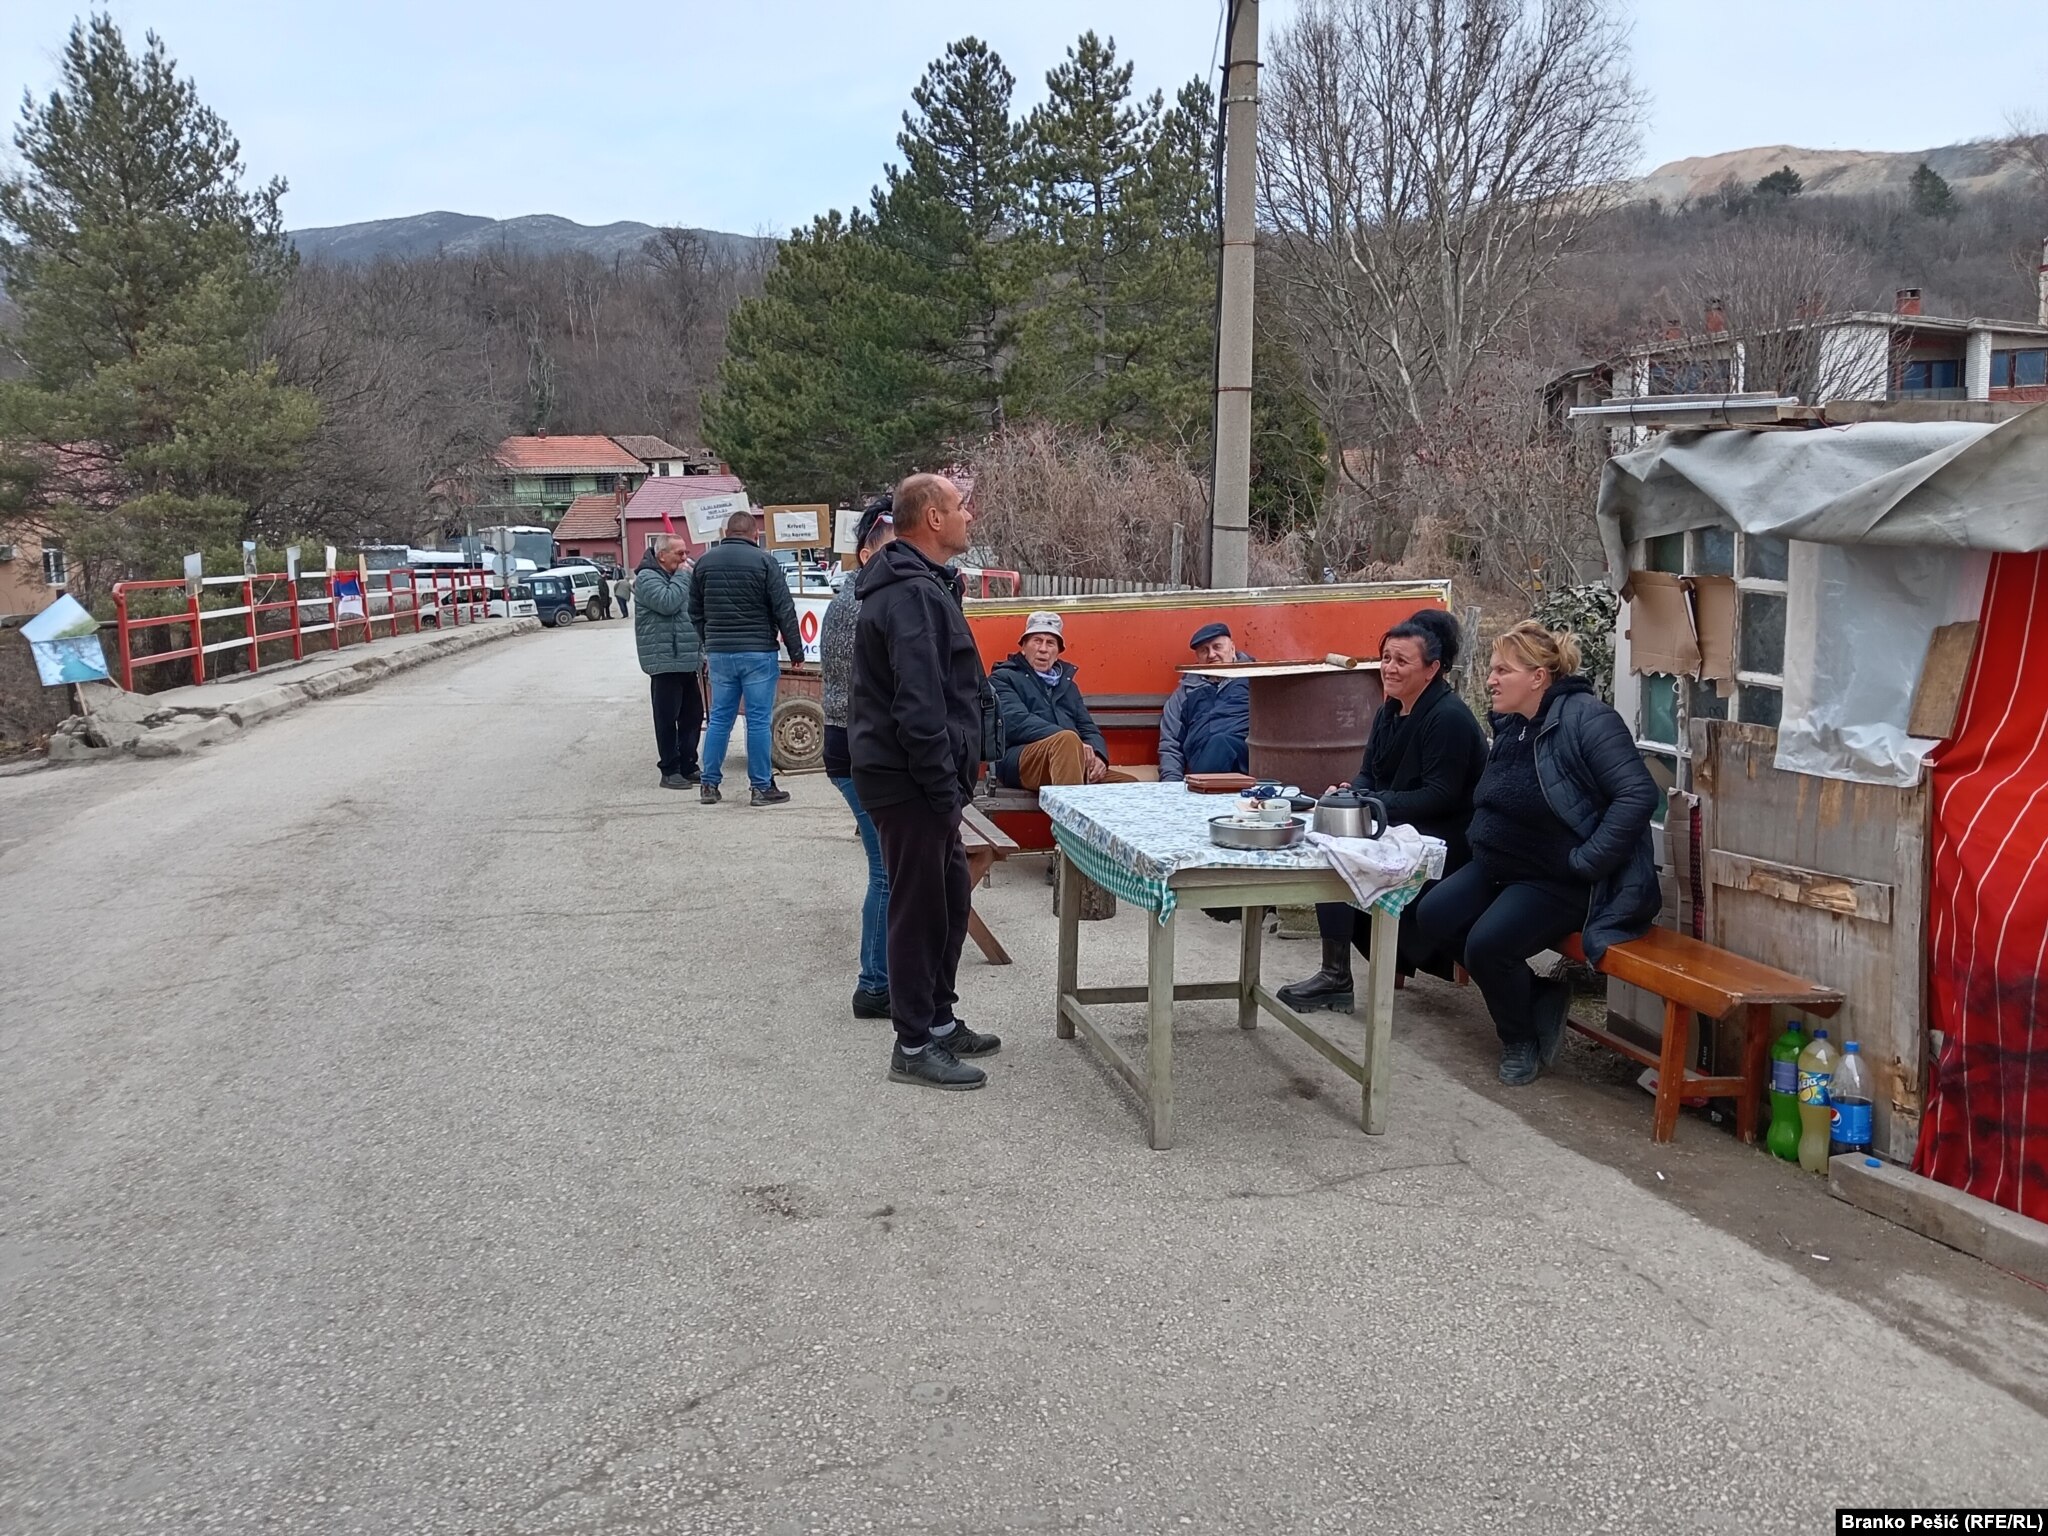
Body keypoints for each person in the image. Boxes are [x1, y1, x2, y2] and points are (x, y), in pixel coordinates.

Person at [1411, 619, 1660, 1086]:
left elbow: (1637, 796)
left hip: (1559, 877)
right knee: (1433, 916)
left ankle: (1520, 1039)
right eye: (1492, 670)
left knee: (1488, 946)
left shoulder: (1588, 718)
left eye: (1502, 670)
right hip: (1502, 865)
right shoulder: (1513, 725)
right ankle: (1536, 994)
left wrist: (1587, 862)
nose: (1490, 680)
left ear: (1538, 677)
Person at [850, 473, 1002, 1090]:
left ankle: (938, 1022)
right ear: (933, 519)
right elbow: (920, 706)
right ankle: (912, 1044)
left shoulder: (927, 585)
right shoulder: (910, 594)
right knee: (918, 911)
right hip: (910, 780)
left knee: (948, 901)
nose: (970, 515)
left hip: (927, 779)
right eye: (960, 506)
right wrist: (944, 785)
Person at [1277, 610, 1487, 1013]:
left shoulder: (1448, 718)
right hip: (1400, 828)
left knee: (1344, 854)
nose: (1389, 668)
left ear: (1432, 670)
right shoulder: (1389, 711)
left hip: (1447, 842)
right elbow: (1369, 774)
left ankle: (1339, 975)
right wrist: (1349, 793)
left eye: (1402, 661)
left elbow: (1441, 795)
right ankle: (1335, 974)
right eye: (1386, 658)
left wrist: (1371, 804)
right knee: (1332, 845)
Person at [821, 499, 896, 1021]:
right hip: (858, 753)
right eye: (894, 546)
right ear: (866, 550)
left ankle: (882, 978)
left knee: (887, 868)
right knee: (887, 871)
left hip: (862, 751)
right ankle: (873, 984)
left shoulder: (868, 595)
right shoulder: (861, 604)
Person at [688, 509, 804, 806]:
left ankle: (709, 785)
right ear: (755, 535)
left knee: (719, 720)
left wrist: (709, 639)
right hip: (758, 653)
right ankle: (761, 787)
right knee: (757, 721)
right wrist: (795, 651)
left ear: (726, 533)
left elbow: (695, 611)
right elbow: (784, 609)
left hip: (720, 654)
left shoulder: (703, 563)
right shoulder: (765, 562)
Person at [989, 612, 1131, 790]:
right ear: (1023, 647)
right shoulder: (1003, 678)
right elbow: (1014, 721)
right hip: (1020, 761)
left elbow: (1088, 728)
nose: (1043, 649)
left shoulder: (1068, 686)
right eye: (1037, 641)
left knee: (1131, 788)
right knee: (1067, 741)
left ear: (1057, 652)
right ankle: (1068, 819)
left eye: (1050, 643)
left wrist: (1098, 754)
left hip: (1071, 759)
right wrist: (1072, 742)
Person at [632, 535, 703, 789]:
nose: (685, 558)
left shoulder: (679, 577)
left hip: (686, 658)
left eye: (685, 553)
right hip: (664, 660)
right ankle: (669, 769)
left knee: (693, 716)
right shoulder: (647, 578)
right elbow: (668, 603)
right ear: (661, 555)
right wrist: (684, 576)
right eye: (679, 554)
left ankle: (688, 764)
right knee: (666, 719)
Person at [1157, 621, 1255, 781]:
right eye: (1204, 650)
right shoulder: (1185, 692)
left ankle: (1195, 795)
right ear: (1198, 658)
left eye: (1217, 647)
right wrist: (1170, 783)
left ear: (1232, 648)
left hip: (1245, 760)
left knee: (1221, 742)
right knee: (1217, 745)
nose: (1211, 655)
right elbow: (1170, 743)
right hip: (1201, 760)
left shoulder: (1255, 680)